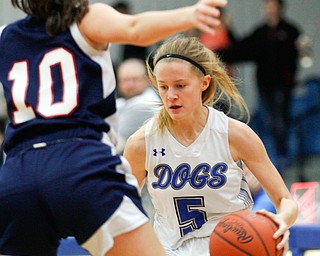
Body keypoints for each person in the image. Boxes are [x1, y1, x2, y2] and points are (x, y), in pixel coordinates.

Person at [0, 0, 228, 255]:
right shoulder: (84, 20)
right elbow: (135, 28)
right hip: (79, 163)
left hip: (16, 177)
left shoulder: (5, 35)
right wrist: (190, 14)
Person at [123, 35, 298, 256]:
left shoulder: (234, 134)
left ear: (204, 83)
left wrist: (281, 220)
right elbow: (121, 208)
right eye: (163, 87)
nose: (171, 96)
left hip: (234, 245)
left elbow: (285, 200)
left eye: (180, 85)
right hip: (170, 249)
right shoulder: (142, 143)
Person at [218, 0, 301, 170]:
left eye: (272, 5)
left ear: (279, 7)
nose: (269, 9)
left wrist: (291, 77)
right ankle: (274, 159)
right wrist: (228, 29)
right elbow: (241, 49)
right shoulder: (260, 33)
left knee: (282, 121)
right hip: (265, 85)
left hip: (283, 85)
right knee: (269, 121)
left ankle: (285, 157)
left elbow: (297, 57)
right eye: (267, 6)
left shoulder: (290, 31)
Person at [116, 58, 160, 154]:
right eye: (125, 80)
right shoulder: (122, 102)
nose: (130, 85)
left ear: (147, 80)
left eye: (135, 79)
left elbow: (116, 145)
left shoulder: (144, 106)